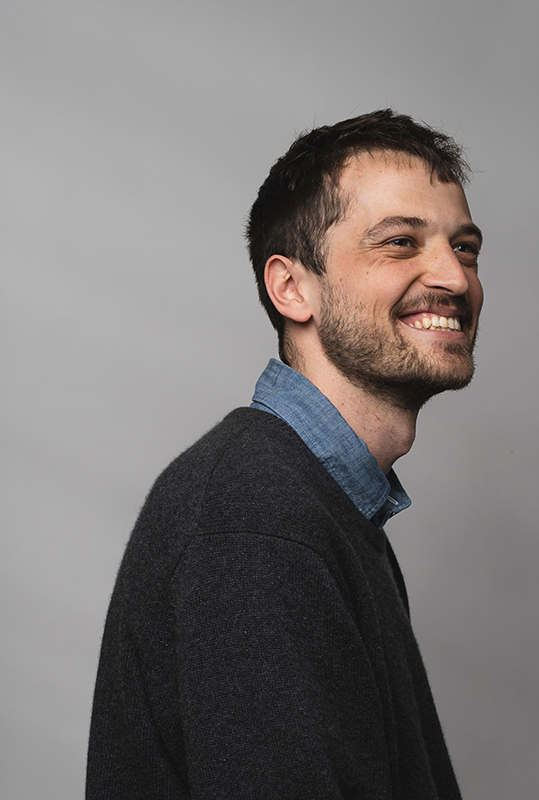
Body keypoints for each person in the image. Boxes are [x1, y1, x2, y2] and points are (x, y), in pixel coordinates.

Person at [86, 109, 483, 799]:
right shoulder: (258, 518)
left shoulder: (319, 506)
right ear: (291, 287)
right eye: (399, 242)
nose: (453, 276)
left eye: (466, 247)